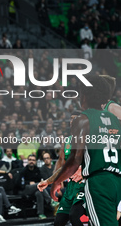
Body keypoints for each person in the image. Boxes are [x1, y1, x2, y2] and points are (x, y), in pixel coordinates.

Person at [50, 75, 121, 226]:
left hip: (98, 182)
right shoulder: (115, 120)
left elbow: (75, 160)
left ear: (86, 96)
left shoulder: (83, 119)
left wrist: (57, 181)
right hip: (116, 181)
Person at [38, 111, 85, 226]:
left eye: (76, 119)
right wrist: (49, 181)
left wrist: (84, 169)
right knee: (58, 222)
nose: (72, 121)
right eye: (71, 119)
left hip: (85, 186)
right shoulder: (67, 141)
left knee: (75, 217)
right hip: (71, 188)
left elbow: (97, 161)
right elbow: (64, 167)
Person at [17, 154, 54, 219]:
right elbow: (18, 183)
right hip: (25, 189)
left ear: (35, 162)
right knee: (39, 185)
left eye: (33, 160)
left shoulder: (37, 170)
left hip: (35, 189)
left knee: (39, 193)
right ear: (27, 161)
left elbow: (40, 179)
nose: (31, 161)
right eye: (30, 160)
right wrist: (28, 182)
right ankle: (50, 201)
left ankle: (40, 214)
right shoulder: (23, 170)